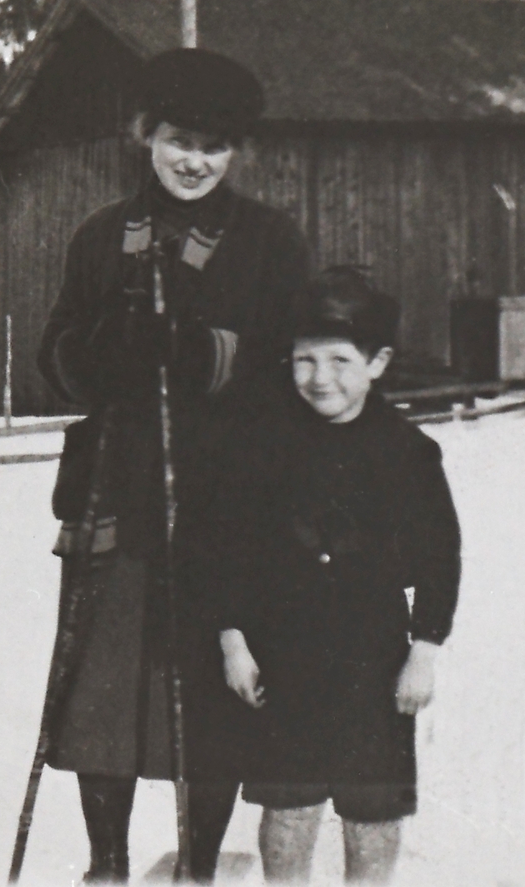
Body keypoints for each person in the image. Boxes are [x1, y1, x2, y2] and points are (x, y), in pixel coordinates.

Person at [36, 48, 310, 883]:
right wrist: (98, 350)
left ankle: (196, 868)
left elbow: (290, 366)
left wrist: (199, 353)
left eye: (215, 146)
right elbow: (50, 363)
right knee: (104, 696)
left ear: (236, 154)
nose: (195, 161)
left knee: (210, 701)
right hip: (114, 494)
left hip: (225, 506)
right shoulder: (98, 237)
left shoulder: (268, 239)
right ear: (145, 136)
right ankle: (107, 865)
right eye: (179, 140)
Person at [211, 268, 461, 883]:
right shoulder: (264, 446)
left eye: (340, 360)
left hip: (372, 658)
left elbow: (439, 557)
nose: (320, 378)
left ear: (377, 363)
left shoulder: (407, 452)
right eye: (305, 360)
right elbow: (227, 549)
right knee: (288, 806)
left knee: (372, 809)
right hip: (282, 656)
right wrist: (233, 639)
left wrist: (424, 650)